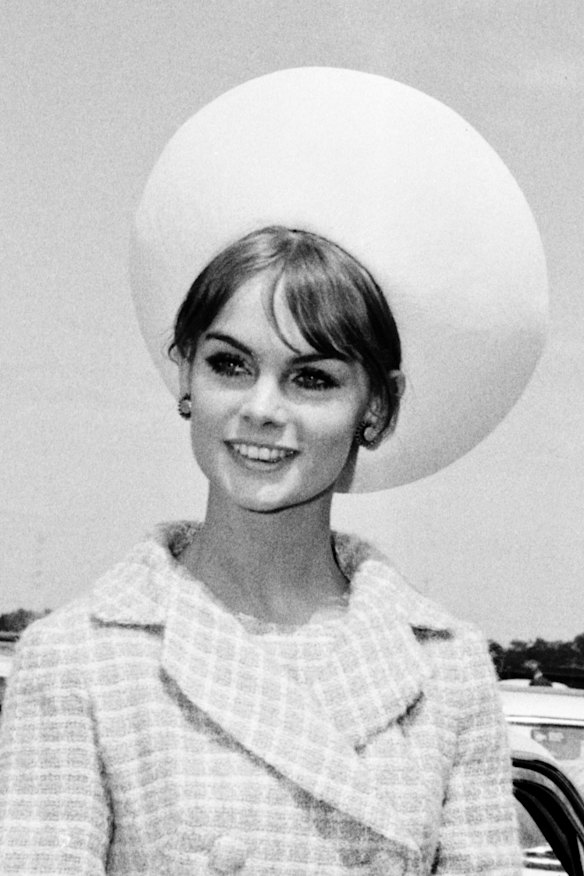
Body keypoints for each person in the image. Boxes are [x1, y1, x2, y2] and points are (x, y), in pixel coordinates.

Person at [0, 68, 548, 874]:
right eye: (231, 364)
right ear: (185, 375)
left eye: (313, 378)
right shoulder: (79, 660)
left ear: (376, 407)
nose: (263, 408)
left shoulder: (446, 668)